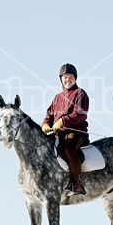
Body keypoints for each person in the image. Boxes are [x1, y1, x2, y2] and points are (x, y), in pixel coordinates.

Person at [41, 63, 89, 196]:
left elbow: (80, 114)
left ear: (75, 78)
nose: (68, 80)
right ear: (61, 79)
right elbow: (49, 114)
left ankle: (77, 183)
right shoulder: (57, 97)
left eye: (70, 77)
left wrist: (63, 120)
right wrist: (45, 123)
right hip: (59, 133)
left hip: (77, 132)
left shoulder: (80, 93)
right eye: (65, 77)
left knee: (69, 148)